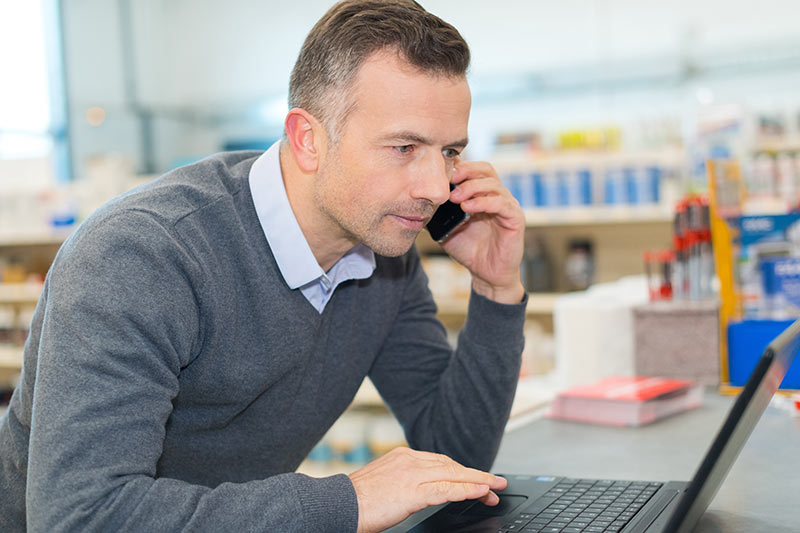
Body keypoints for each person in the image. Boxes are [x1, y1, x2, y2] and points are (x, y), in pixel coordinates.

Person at [0, 1, 527, 531]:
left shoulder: (383, 258)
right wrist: (348, 502)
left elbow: (455, 456)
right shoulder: (141, 257)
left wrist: (496, 288)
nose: (437, 188)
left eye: (450, 151)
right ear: (307, 140)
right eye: (405, 146)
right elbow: (81, 517)